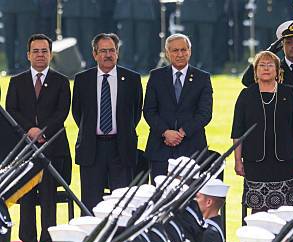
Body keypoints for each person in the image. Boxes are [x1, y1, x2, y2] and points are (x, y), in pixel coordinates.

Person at [241, 20, 293, 197]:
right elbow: (247, 81)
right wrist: (269, 51)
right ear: (282, 45)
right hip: (277, 138)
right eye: (288, 43)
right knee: (275, 192)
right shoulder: (272, 67)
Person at [6, 34, 71, 242]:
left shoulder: (62, 82)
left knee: (48, 198)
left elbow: (62, 112)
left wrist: (42, 131)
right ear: (28, 55)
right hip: (24, 151)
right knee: (25, 197)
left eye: (44, 51)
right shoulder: (16, 82)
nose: (40, 55)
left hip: (52, 149)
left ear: (50, 54)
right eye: (36, 51)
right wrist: (29, 131)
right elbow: (11, 111)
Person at [72, 33, 144, 212]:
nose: (108, 55)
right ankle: (91, 239)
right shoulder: (83, 80)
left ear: (117, 53)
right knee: (90, 202)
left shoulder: (132, 79)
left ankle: (119, 240)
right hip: (92, 148)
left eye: (112, 50)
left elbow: (135, 113)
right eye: (103, 51)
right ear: (95, 54)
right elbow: (78, 113)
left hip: (121, 148)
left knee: (122, 203)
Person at [232, 50, 293, 212]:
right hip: (255, 162)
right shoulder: (246, 95)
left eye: (270, 65)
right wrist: (238, 160)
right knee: (257, 209)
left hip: (285, 161)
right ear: (255, 71)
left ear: (277, 70)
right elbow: (238, 130)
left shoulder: (289, 92)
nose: (266, 69)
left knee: (285, 210)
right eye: (262, 65)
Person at [144, 33, 213, 178]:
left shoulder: (202, 78)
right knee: (159, 196)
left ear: (190, 51)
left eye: (184, 50)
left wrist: (182, 132)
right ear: (167, 53)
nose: (180, 54)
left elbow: (205, 113)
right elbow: (149, 111)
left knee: (191, 198)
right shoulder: (156, 76)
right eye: (175, 50)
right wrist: (165, 132)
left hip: (192, 147)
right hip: (160, 148)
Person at [113, 0, 157, 72]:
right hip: (125, 9)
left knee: (143, 42)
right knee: (126, 42)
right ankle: (126, 67)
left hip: (143, 9)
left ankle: (142, 67)